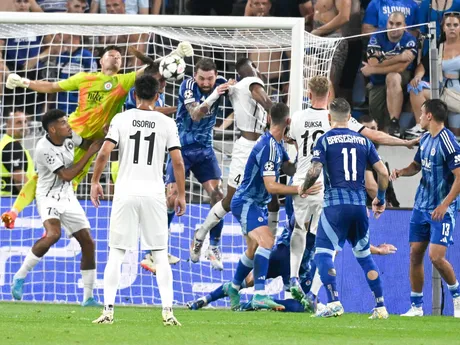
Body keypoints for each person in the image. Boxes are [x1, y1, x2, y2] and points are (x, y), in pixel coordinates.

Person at [1, 42, 193, 229]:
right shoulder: (84, 78)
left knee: (70, 183)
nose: (116, 58)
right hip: (68, 134)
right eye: (111, 55)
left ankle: (64, 221)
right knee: (40, 177)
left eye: (119, 56)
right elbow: (52, 87)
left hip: (91, 143)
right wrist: (24, 82)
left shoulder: (123, 81)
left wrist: (176, 54)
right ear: (100, 61)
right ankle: (14, 212)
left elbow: (152, 68)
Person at [90, 75, 186, 325]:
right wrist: (182, 194)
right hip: (154, 194)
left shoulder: (121, 119)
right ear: (157, 96)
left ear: (134, 96)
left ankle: (108, 311)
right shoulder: (167, 122)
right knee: (161, 255)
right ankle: (168, 312)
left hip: (125, 193)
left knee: (116, 254)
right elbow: (177, 161)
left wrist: (95, 181)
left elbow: (104, 153)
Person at [224, 102, 321, 311]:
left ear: (269, 118)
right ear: (288, 122)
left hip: (256, 203)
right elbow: (271, 185)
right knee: (266, 240)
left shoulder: (277, 145)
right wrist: (300, 189)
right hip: (247, 201)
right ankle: (259, 294)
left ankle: (233, 287)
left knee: (252, 249)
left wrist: (299, 148)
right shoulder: (268, 147)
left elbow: (289, 167)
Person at [299, 98, 390, 319]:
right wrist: (380, 198)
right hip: (359, 206)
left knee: (323, 253)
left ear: (329, 117)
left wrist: (303, 187)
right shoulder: (364, 141)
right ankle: (380, 307)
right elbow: (384, 173)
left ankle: (334, 302)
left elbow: (314, 170)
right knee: (364, 255)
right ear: (349, 118)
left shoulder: (325, 139)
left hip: (335, 206)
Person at [10, 109, 103, 306]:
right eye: (63, 122)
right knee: (53, 234)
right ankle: (20, 275)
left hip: (68, 195)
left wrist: (104, 135)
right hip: (48, 196)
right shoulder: (43, 148)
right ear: (52, 129)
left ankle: (88, 298)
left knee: (88, 242)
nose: (68, 125)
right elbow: (67, 174)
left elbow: (86, 144)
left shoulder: (70, 135)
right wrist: (91, 153)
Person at [191, 58, 273, 265]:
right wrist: (280, 119)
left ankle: (267, 244)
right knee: (229, 200)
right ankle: (201, 235)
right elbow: (265, 101)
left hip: (261, 145)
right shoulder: (251, 83)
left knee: (270, 194)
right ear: (252, 67)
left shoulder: (238, 86)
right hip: (246, 148)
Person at [391, 99, 460, 318]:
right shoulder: (425, 140)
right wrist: (402, 172)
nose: (418, 117)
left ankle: (457, 299)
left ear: (429, 116)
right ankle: (416, 307)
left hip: (442, 210)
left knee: (436, 257)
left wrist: (445, 204)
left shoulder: (448, 142)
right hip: (421, 206)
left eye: (421, 113)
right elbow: (417, 166)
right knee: (415, 254)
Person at [165, 58, 229, 271]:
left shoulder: (220, 84)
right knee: (172, 197)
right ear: (195, 76)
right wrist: (214, 94)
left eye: (210, 78)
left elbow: (240, 88)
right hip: (180, 149)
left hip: (204, 151)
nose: (205, 82)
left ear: (215, 75)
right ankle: (159, 248)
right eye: (201, 78)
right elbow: (195, 114)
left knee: (219, 196)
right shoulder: (188, 86)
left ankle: (213, 246)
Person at [361, 12, 417, 136]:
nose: (393, 27)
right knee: (377, 120)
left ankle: (394, 123)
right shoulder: (376, 36)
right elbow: (373, 62)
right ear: (386, 24)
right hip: (377, 81)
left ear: (404, 26)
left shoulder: (410, 39)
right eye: (391, 23)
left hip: (401, 79)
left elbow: (401, 68)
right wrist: (399, 57)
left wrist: (375, 67)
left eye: (398, 24)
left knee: (393, 76)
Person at [0, 110, 35, 196]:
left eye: (25, 122)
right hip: (11, 200)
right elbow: (20, 180)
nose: (23, 126)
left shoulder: (4, 142)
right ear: (8, 125)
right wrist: (35, 195)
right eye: (19, 122)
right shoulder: (12, 146)